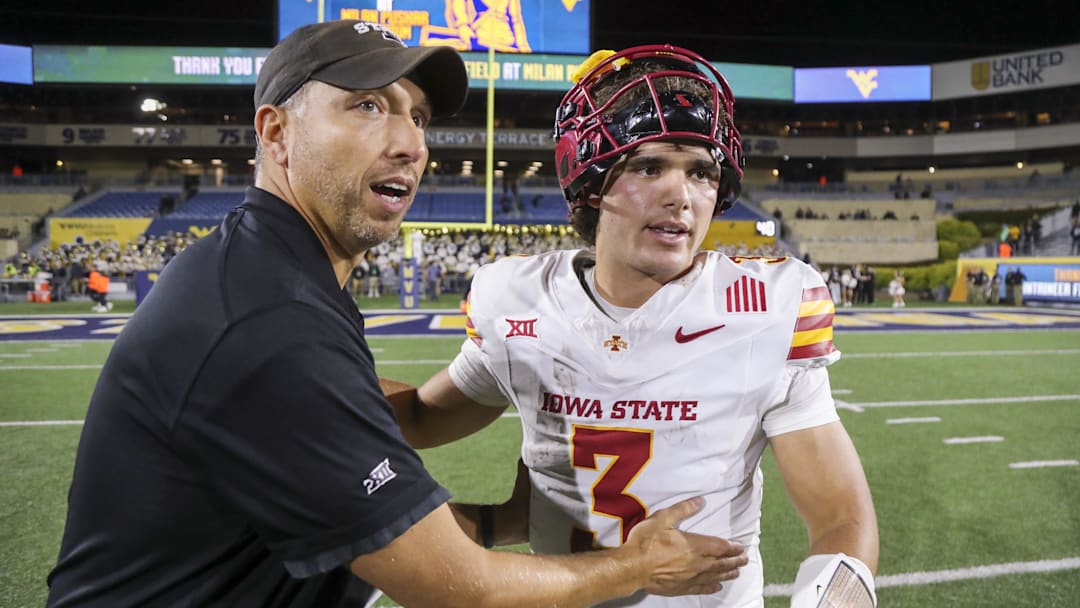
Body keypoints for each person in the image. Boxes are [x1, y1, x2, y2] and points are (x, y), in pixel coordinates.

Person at [46, 23, 744, 608]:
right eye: (368, 107)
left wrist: (514, 499)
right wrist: (642, 565)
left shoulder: (273, 271)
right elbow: (457, 587)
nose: (411, 142)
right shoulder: (270, 322)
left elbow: (358, 461)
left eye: (418, 115)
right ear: (276, 131)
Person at [405, 45, 879, 607]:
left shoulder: (765, 308)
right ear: (589, 180)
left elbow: (841, 519)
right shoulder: (517, 300)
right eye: (648, 166)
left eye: (702, 171)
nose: (680, 195)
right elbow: (415, 419)